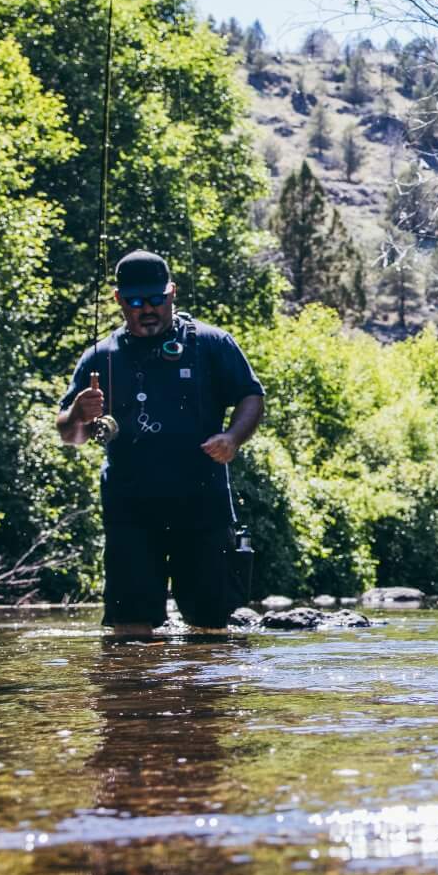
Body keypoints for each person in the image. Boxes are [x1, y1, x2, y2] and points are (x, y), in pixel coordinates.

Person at [56, 251, 266, 633]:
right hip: (130, 512)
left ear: (172, 293)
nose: (147, 309)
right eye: (135, 302)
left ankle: (203, 692)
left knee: (213, 628)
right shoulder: (99, 357)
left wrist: (233, 438)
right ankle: (134, 693)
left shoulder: (212, 343)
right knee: (130, 629)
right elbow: (71, 437)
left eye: (156, 299)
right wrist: (77, 414)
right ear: (119, 300)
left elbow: (252, 396)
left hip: (203, 507)